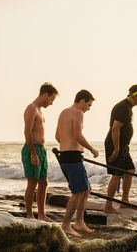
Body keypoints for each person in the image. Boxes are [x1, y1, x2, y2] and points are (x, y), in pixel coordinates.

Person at [103, 85, 137, 214]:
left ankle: (124, 201)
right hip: (116, 144)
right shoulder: (123, 108)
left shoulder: (128, 107)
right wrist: (116, 148)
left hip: (123, 146)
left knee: (130, 170)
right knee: (117, 174)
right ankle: (108, 206)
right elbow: (115, 129)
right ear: (135, 95)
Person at [55, 89, 99, 237]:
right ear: (82, 101)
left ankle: (79, 223)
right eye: (89, 105)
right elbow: (77, 134)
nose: (88, 109)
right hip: (73, 157)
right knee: (78, 192)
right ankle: (66, 224)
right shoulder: (78, 113)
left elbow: (57, 136)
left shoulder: (63, 112)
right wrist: (92, 149)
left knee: (86, 189)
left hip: (65, 157)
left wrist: (67, 145)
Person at [22, 82, 59, 222]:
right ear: (45, 95)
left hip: (42, 150)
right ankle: (30, 215)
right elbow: (27, 132)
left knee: (44, 183)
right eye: (51, 99)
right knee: (32, 183)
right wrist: (33, 153)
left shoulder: (40, 110)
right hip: (32, 149)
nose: (51, 103)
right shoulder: (31, 108)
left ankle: (42, 215)